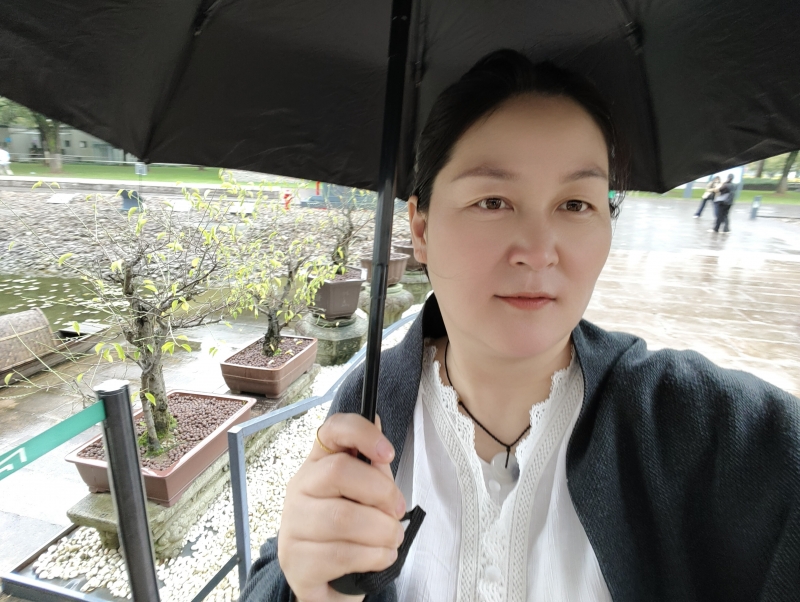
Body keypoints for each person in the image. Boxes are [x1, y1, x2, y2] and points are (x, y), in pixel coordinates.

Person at [241, 50, 800, 602]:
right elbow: (284, 567)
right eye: (493, 201)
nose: (538, 250)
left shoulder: (707, 429)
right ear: (421, 228)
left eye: (576, 204)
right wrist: (308, 588)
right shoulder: (371, 406)